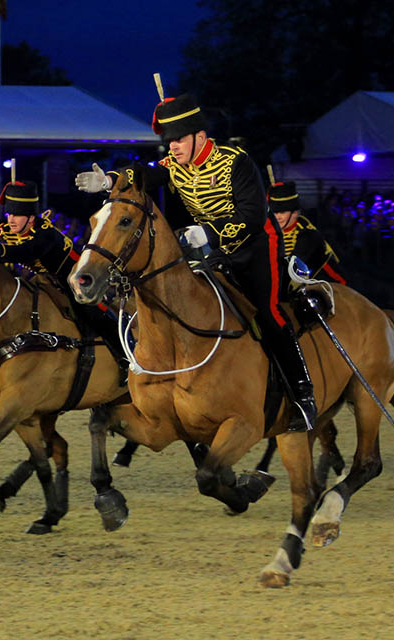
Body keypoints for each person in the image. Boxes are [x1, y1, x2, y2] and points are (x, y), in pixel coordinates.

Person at [75, 91, 316, 432]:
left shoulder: (236, 161)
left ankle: (303, 397)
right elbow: (142, 174)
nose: (172, 147)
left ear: (199, 137)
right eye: (169, 141)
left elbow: (252, 216)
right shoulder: (173, 165)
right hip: (215, 251)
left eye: (178, 140)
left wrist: (208, 233)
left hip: (256, 246)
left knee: (270, 312)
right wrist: (109, 181)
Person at [0, 180, 124, 361]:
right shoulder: (11, 227)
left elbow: (24, 252)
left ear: (31, 218)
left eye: (17, 215)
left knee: (92, 312)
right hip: (46, 278)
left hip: (74, 276)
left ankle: (123, 357)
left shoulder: (45, 234)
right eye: (9, 213)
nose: (10, 219)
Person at [267, 180, 347, 285]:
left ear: (295, 213)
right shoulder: (270, 231)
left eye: (282, 212)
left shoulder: (308, 234)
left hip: (327, 285)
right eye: (274, 212)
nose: (277, 217)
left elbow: (293, 268)